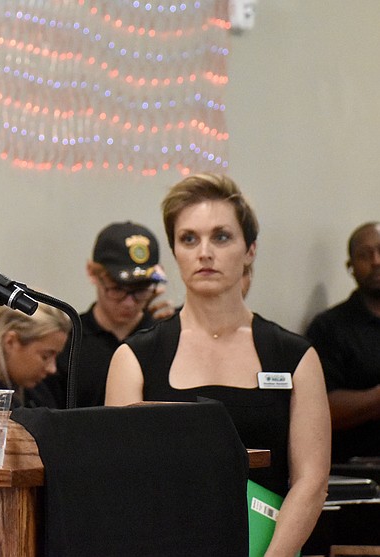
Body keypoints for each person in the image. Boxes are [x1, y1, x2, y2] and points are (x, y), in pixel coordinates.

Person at [105, 173, 330, 556]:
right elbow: (124, 480)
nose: (204, 252)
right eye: (189, 239)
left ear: (250, 250)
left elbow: (311, 480)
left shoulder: (294, 357)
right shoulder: (135, 358)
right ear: (175, 252)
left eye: (221, 237)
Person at [43, 221, 171, 408]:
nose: (129, 302)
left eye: (141, 290)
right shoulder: (67, 342)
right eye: (117, 289)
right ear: (92, 273)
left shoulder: (164, 339)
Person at [306, 221, 380, 463]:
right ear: (351, 267)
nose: (376, 261)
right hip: (356, 473)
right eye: (364, 255)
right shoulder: (329, 327)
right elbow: (322, 408)